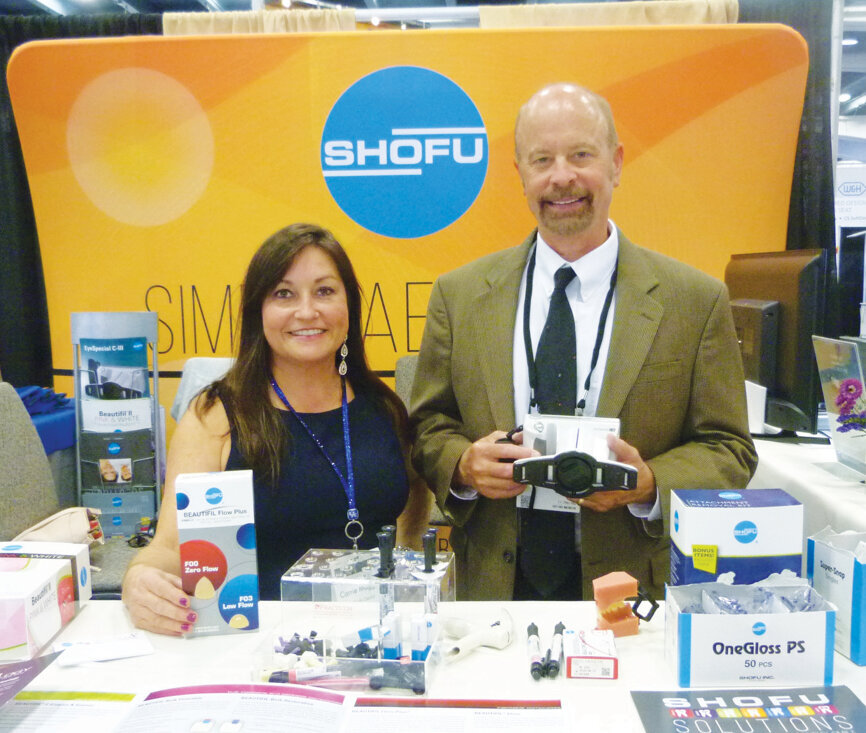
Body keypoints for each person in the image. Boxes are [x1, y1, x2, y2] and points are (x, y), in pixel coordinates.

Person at [409, 83, 758, 602]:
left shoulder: (695, 301)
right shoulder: (459, 295)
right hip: (492, 586)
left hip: (632, 584)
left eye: (581, 154)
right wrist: (462, 465)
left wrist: (648, 482)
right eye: (541, 159)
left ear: (616, 163)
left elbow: (730, 449)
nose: (562, 176)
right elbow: (427, 428)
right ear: (521, 174)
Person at [123, 223, 430, 635]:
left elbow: (413, 492)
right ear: (258, 311)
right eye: (284, 294)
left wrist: (406, 555)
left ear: (349, 307)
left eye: (324, 291)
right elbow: (171, 547)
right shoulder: (214, 417)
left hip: (374, 634)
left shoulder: (383, 407)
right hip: (260, 641)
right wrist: (139, 579)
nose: (307, 311)